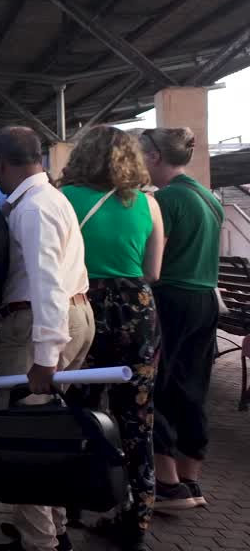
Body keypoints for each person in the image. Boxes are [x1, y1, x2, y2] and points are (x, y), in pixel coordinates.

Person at [45, 126, 164, 551]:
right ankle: (138, 516)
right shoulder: (149, 204)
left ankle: (70, 506)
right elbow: (153, 272)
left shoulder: (66, 200)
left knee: (78, 408)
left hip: (84, 304)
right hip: (138, 310)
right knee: (137, 418)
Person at [0, 127, 94, 551]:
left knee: (25, 434)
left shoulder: (32, 210)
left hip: (41, 324)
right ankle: (53, 527)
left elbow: (44, 284)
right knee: (53, 429)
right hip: (74, 315)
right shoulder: (52, 199)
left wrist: (44, 356)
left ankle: (39, 541)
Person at [139, 127, 224, 511]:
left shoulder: (167, 199)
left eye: (141, 154)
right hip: (205, 300)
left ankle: (167, 483)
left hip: (171, 299)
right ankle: (191, 479)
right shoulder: (207, 196)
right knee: (192, 386)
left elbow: (153, 259)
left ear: (155, 157)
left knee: (159, 387)